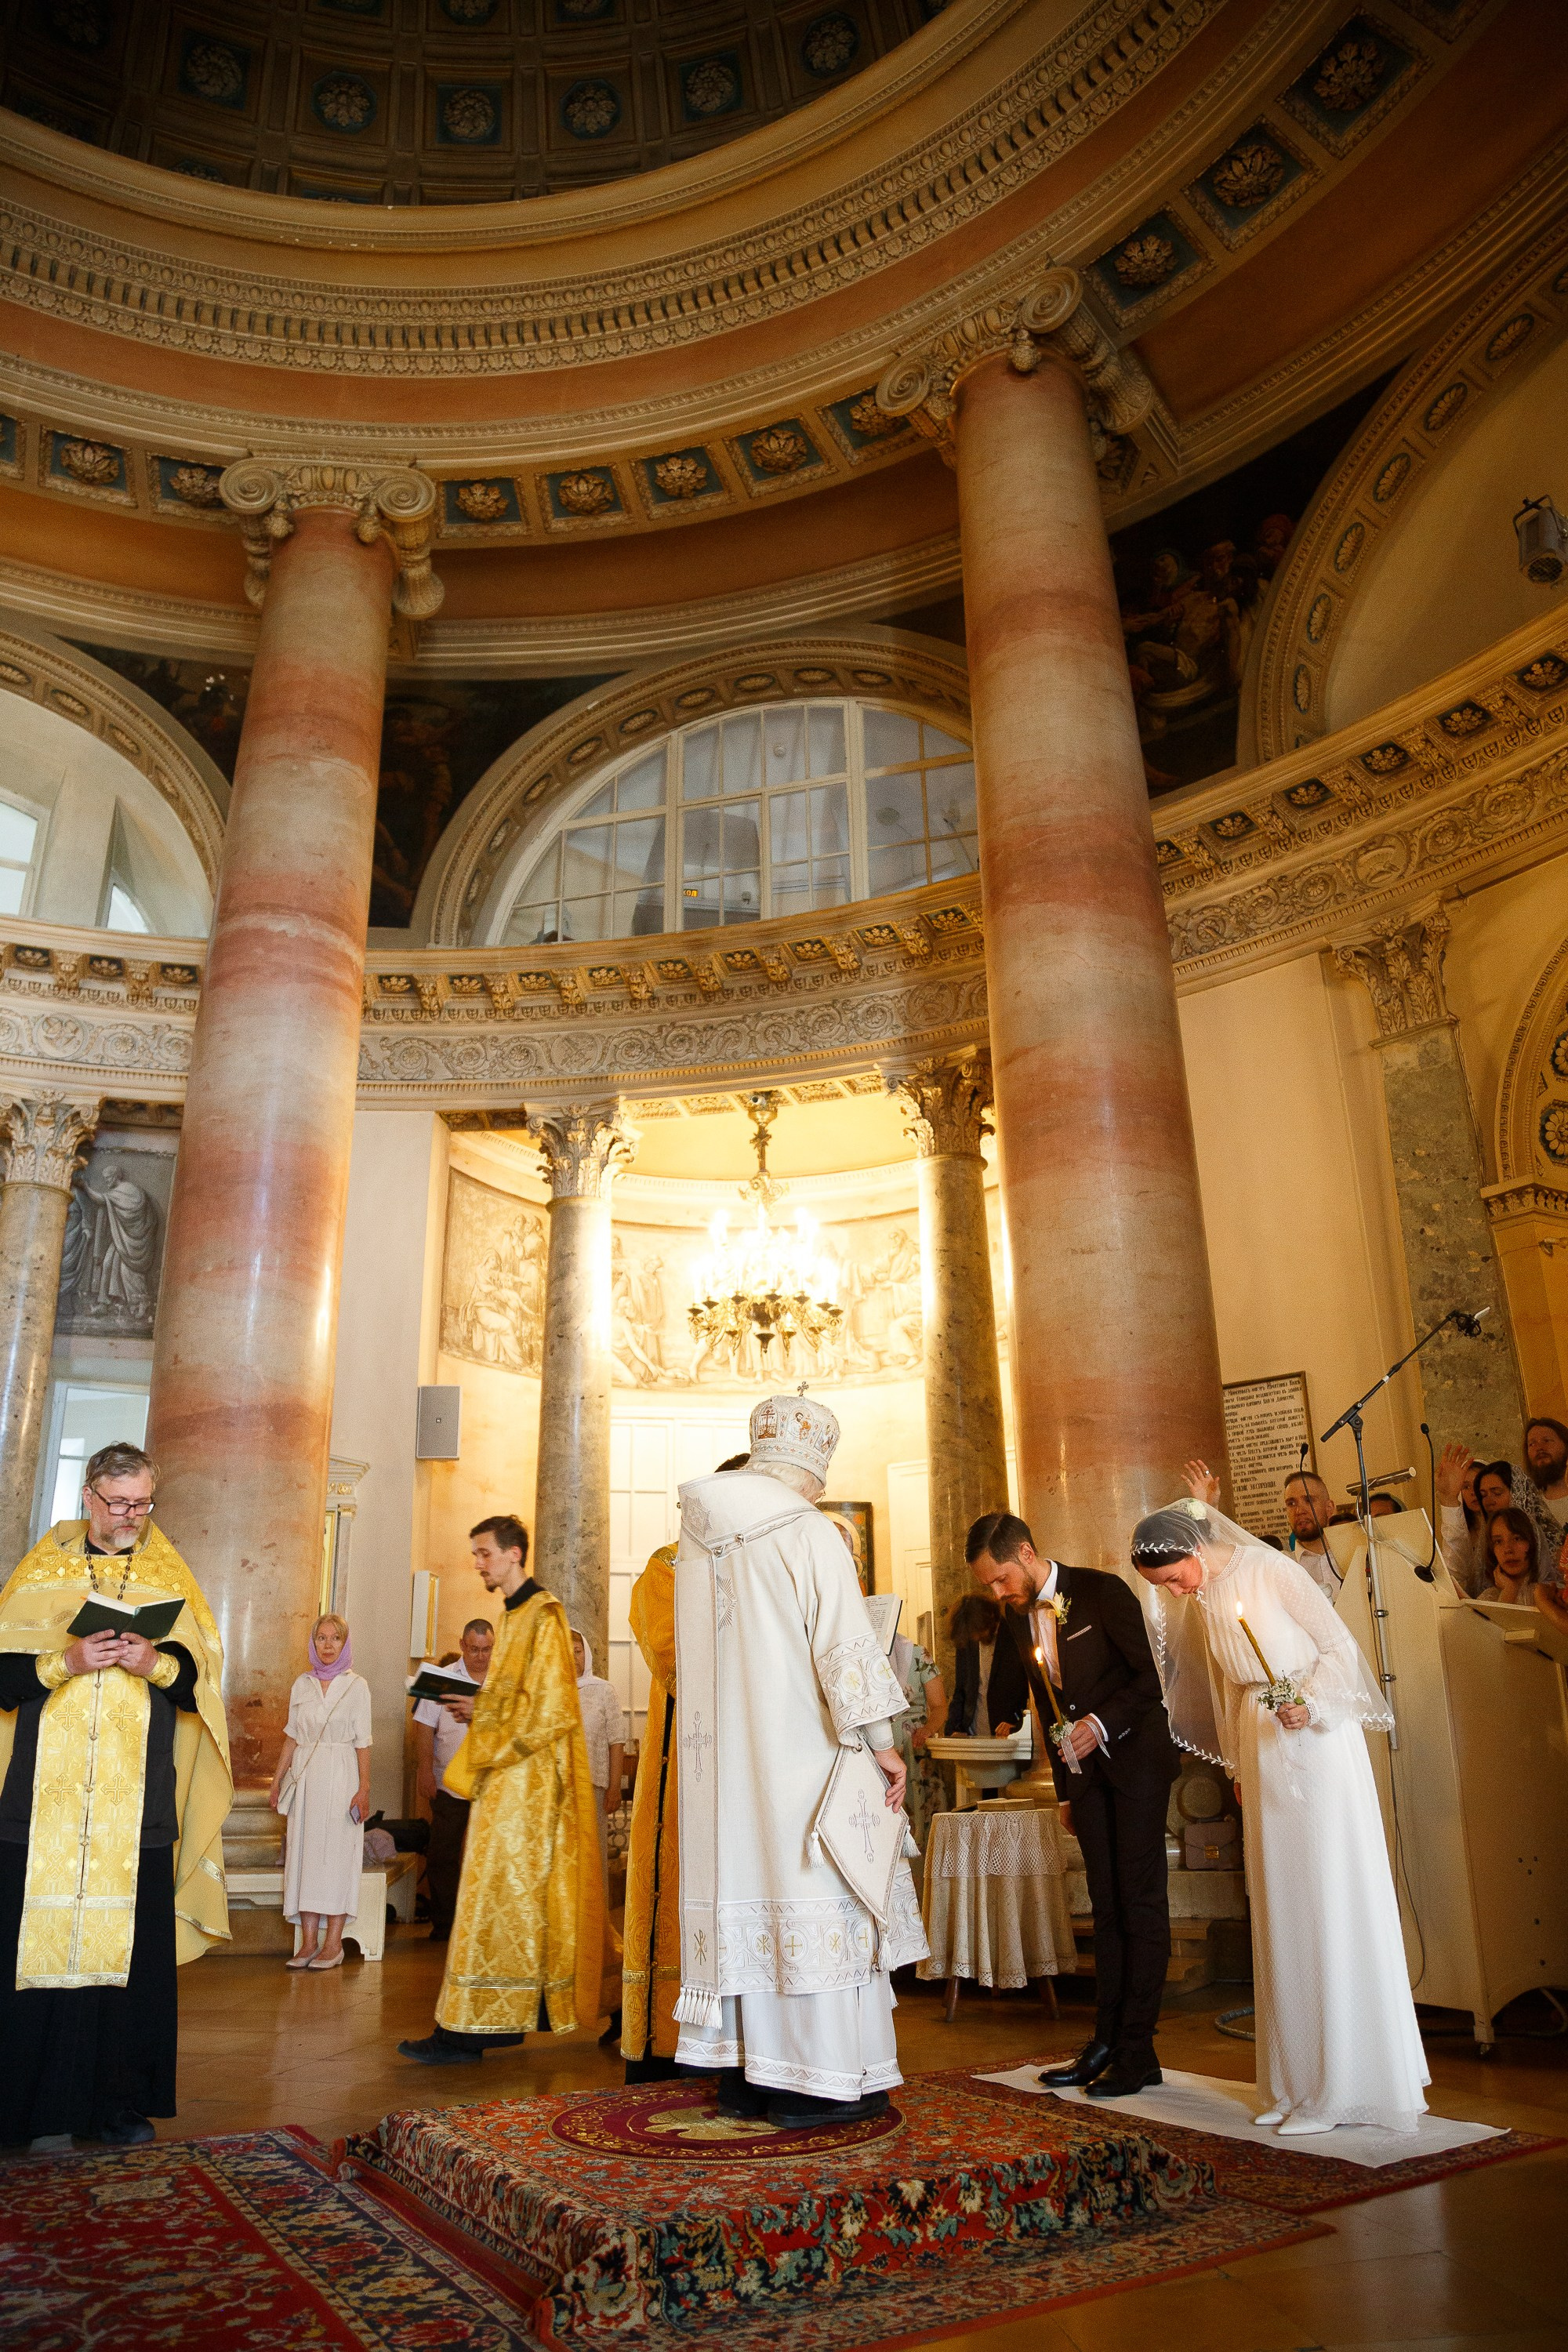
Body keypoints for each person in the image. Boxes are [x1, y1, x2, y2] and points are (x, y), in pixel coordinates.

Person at [1134, 1479, 1428, 2136]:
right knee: (1280, 1908)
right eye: (1163, 1586)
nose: (1175, 1592)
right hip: (1261, 1744)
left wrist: (1311, 1704)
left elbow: (1340, 1649)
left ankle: (1342, 2087)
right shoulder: (1206, 1594)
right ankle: (1294, 2082)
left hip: (1315, 1745)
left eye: (1174, 1577)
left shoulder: (1274, 1571)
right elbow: (1229, 1687)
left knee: (1324, 1901)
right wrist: (1239, 1764)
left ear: (1192, 1549)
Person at [672, 1396, 925, 2125]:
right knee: (820, 1900)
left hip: (726, 1771)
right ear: (810, 1471)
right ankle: (815, 2079)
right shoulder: (809, 1528)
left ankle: (748, 2072)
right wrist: (883, 1743)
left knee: (749, 1897)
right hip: (806, 1761)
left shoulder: (699, 1534)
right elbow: (844, 1646)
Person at [0, 1442, 230, 2149]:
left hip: (137, 1807)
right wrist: (63, 1662)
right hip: (40, 1804)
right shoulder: (42, 1568)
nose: (131, 1515)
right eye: (119, 1502)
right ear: (88, 1497)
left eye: (142, 1503)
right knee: (26, 1954)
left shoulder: (169, 1573)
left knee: (132, 1966)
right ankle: (24, 2111)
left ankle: (118, 2105)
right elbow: (3, 1677)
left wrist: (153, 1662)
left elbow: (199, 1686)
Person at [967, 1507, 1178, 2100]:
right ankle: (1105, 2042)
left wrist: (1100, 1725)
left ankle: (1138, 2049)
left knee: (1140, 1904)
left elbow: (1151, 1681)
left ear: (1026, 1554)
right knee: (1106, 1909)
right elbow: (1046, 1703)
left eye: (1001, 1579)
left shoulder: (1103, 1592)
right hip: (1085, 1779)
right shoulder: (1018, 1616)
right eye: (989, 1585)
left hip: (1136, 1766)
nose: (998, 1592)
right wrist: (1065, 1789)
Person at [397, 1514, 602, 2065]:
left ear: (514, 1554)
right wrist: (480, 1706)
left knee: (501, 1904)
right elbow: (517, 1700)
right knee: (495, 1906)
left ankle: (467, 2031)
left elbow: (554, 1711)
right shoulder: (511, 1616)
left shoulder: (545, 1614)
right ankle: (476, 2024)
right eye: (476, 1554)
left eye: (485, 1553)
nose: (478, 1564)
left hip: (528, 1792)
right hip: (504, 1784)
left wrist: (482, 1713)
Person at [620, 1450, 749, 2084]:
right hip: (690, 1755)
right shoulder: (668, 1566)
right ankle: (669, 2043)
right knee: (679, 1886)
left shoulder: (766, 1564)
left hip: (753, 1763)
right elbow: (672, 1655)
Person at [269, 1614, 372, 1972]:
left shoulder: (357, 1686)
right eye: (322, 1638)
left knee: (338, 1855)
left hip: (342, 1775)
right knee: (306, 1854)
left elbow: (363, 1742)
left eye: (335, 1638)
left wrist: (364, 1788)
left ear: (345, 1643)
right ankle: (309, 1942)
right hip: (307, 1779)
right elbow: (292, 1736)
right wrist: (277, 1780)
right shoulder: (302, 1685)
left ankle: (333, 1944)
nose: (328, 1645)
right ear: (313, 1643)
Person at [413, 1617, 494, 1940]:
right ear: (462, 1646)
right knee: (442, 1853)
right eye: (474, 1649)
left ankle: (485, 1926)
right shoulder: (442, 1679)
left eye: (487, 1649)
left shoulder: (504, 1679)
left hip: (492, 1784)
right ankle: (446, 1924)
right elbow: (424, 1726)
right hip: (449, 1782)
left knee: (489, 1855)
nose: (481, 1656)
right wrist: (424, 1770)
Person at [572, 1629, 626, 1896]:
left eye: (578, 1651)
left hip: (592, 1788)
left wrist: (614, 1787)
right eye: (566, 1652)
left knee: (592, 1858)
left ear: (587, 1654)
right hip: (557, 1789)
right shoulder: (550, 1692)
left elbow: (617, 1741)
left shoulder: (604, 1691)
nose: (573, 1657)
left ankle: (595, 1918)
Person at [943, 1592, 1029, 1737]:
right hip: (973, 1734)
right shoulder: (968, 1638)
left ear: (990, 1618)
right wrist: (953, 1728)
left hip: (1007, 1734)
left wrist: (1019, 1724)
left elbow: (1029, 1691)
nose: (975, 1638)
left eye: (977, 1632)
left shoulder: (1015, 1635)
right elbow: (961, 1689)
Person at [1281, 1470, 1341, 1599]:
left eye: (1308, 1500)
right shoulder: (1283, 1568)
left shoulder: (1355, 1558)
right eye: (1291, 1504)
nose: (1299, 1511)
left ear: (1329, 1508)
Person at [1475, 1507, 1540, 1602]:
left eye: (1517, 1539)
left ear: (1532, 1542)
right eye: (1498, 1541)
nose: (1508, 1549)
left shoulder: (1550, 1596)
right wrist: (1509, 1591)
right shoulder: (1488, 1598)